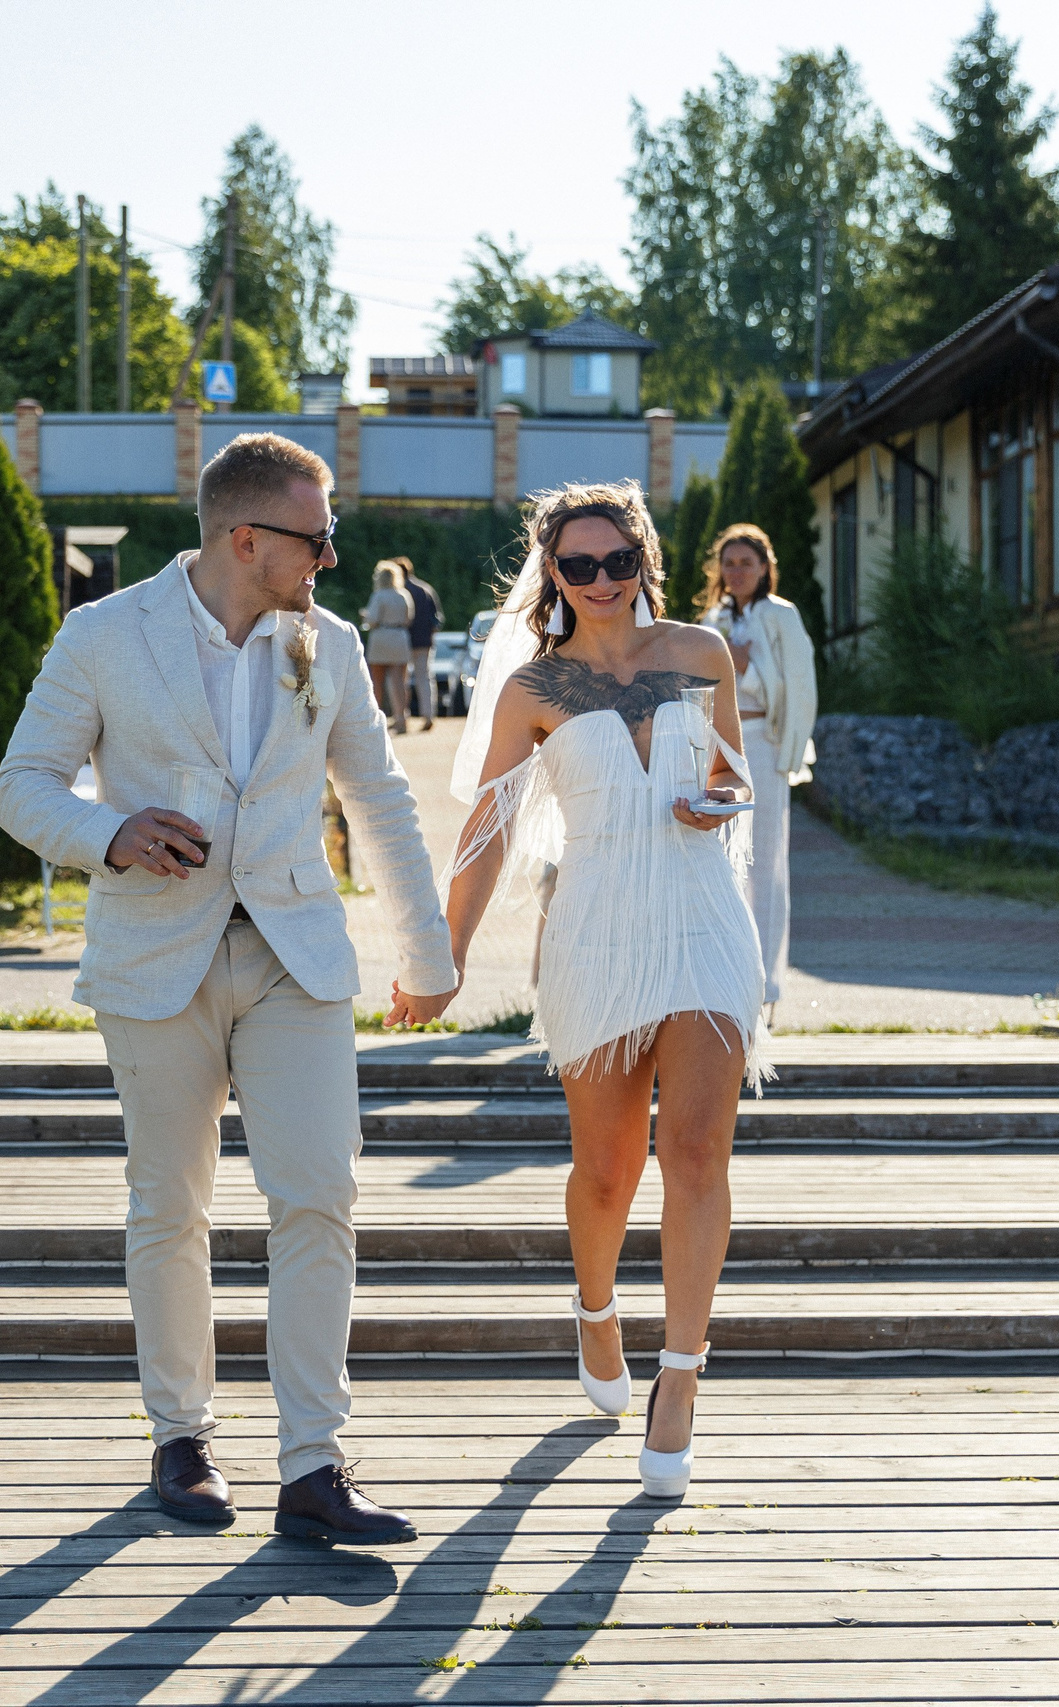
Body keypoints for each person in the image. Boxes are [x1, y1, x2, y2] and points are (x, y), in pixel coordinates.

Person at [0, 433, 459, 1544]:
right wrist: (111, 832)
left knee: (320, 1196)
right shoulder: (104, 635)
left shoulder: (329, 643)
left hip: (297, 956)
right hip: (156, 957)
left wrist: (427, 953)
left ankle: (314, 1468)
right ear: (245, 538)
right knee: (170, 1205)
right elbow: (22, 786)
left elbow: (380, 797)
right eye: (317, 537)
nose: (331, 557)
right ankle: (181, 1439)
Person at [443, 479, 763, 1502]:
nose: (599, 579)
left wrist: (718, 800)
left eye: (617, 560)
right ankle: (594, 1309)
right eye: (577, 565)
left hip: (704, 920)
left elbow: (734, 773)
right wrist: (444, 955)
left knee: (696, 1154)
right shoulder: (533, 689)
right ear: (552, 573)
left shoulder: (701, 654)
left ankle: (681, 1379)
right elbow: (488, 829)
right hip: (595, 932)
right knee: (606, 1172)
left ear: (644, 560)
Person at [697, 523, 818, 1010]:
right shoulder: (713, 619)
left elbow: (799, 686)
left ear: (765, 567)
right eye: (729, 563)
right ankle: (726, 974)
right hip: (716, 745)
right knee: (718, 860)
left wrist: (744, 665)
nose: (737, 571)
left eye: (746, 562)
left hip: (763, 745)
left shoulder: (781, 615)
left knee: (764, 863)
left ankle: (766, 986)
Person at [362, 561, 416, 734]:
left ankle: (376, 719)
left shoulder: (378, 595)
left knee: (376, 681)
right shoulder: (403, 594)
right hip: (400, 636)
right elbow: (409, 618)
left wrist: (365, 617)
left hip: (381, 636)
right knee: (399, 681)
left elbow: (372, 620)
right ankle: (401, 718)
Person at [400, 560, 441, 731]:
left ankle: (402, 715)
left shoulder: (399, 590)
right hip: (424, 641)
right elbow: (437, 618)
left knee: (401, 679)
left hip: (404, 640)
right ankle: (428, 715)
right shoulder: (425, 589)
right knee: (424, 678)